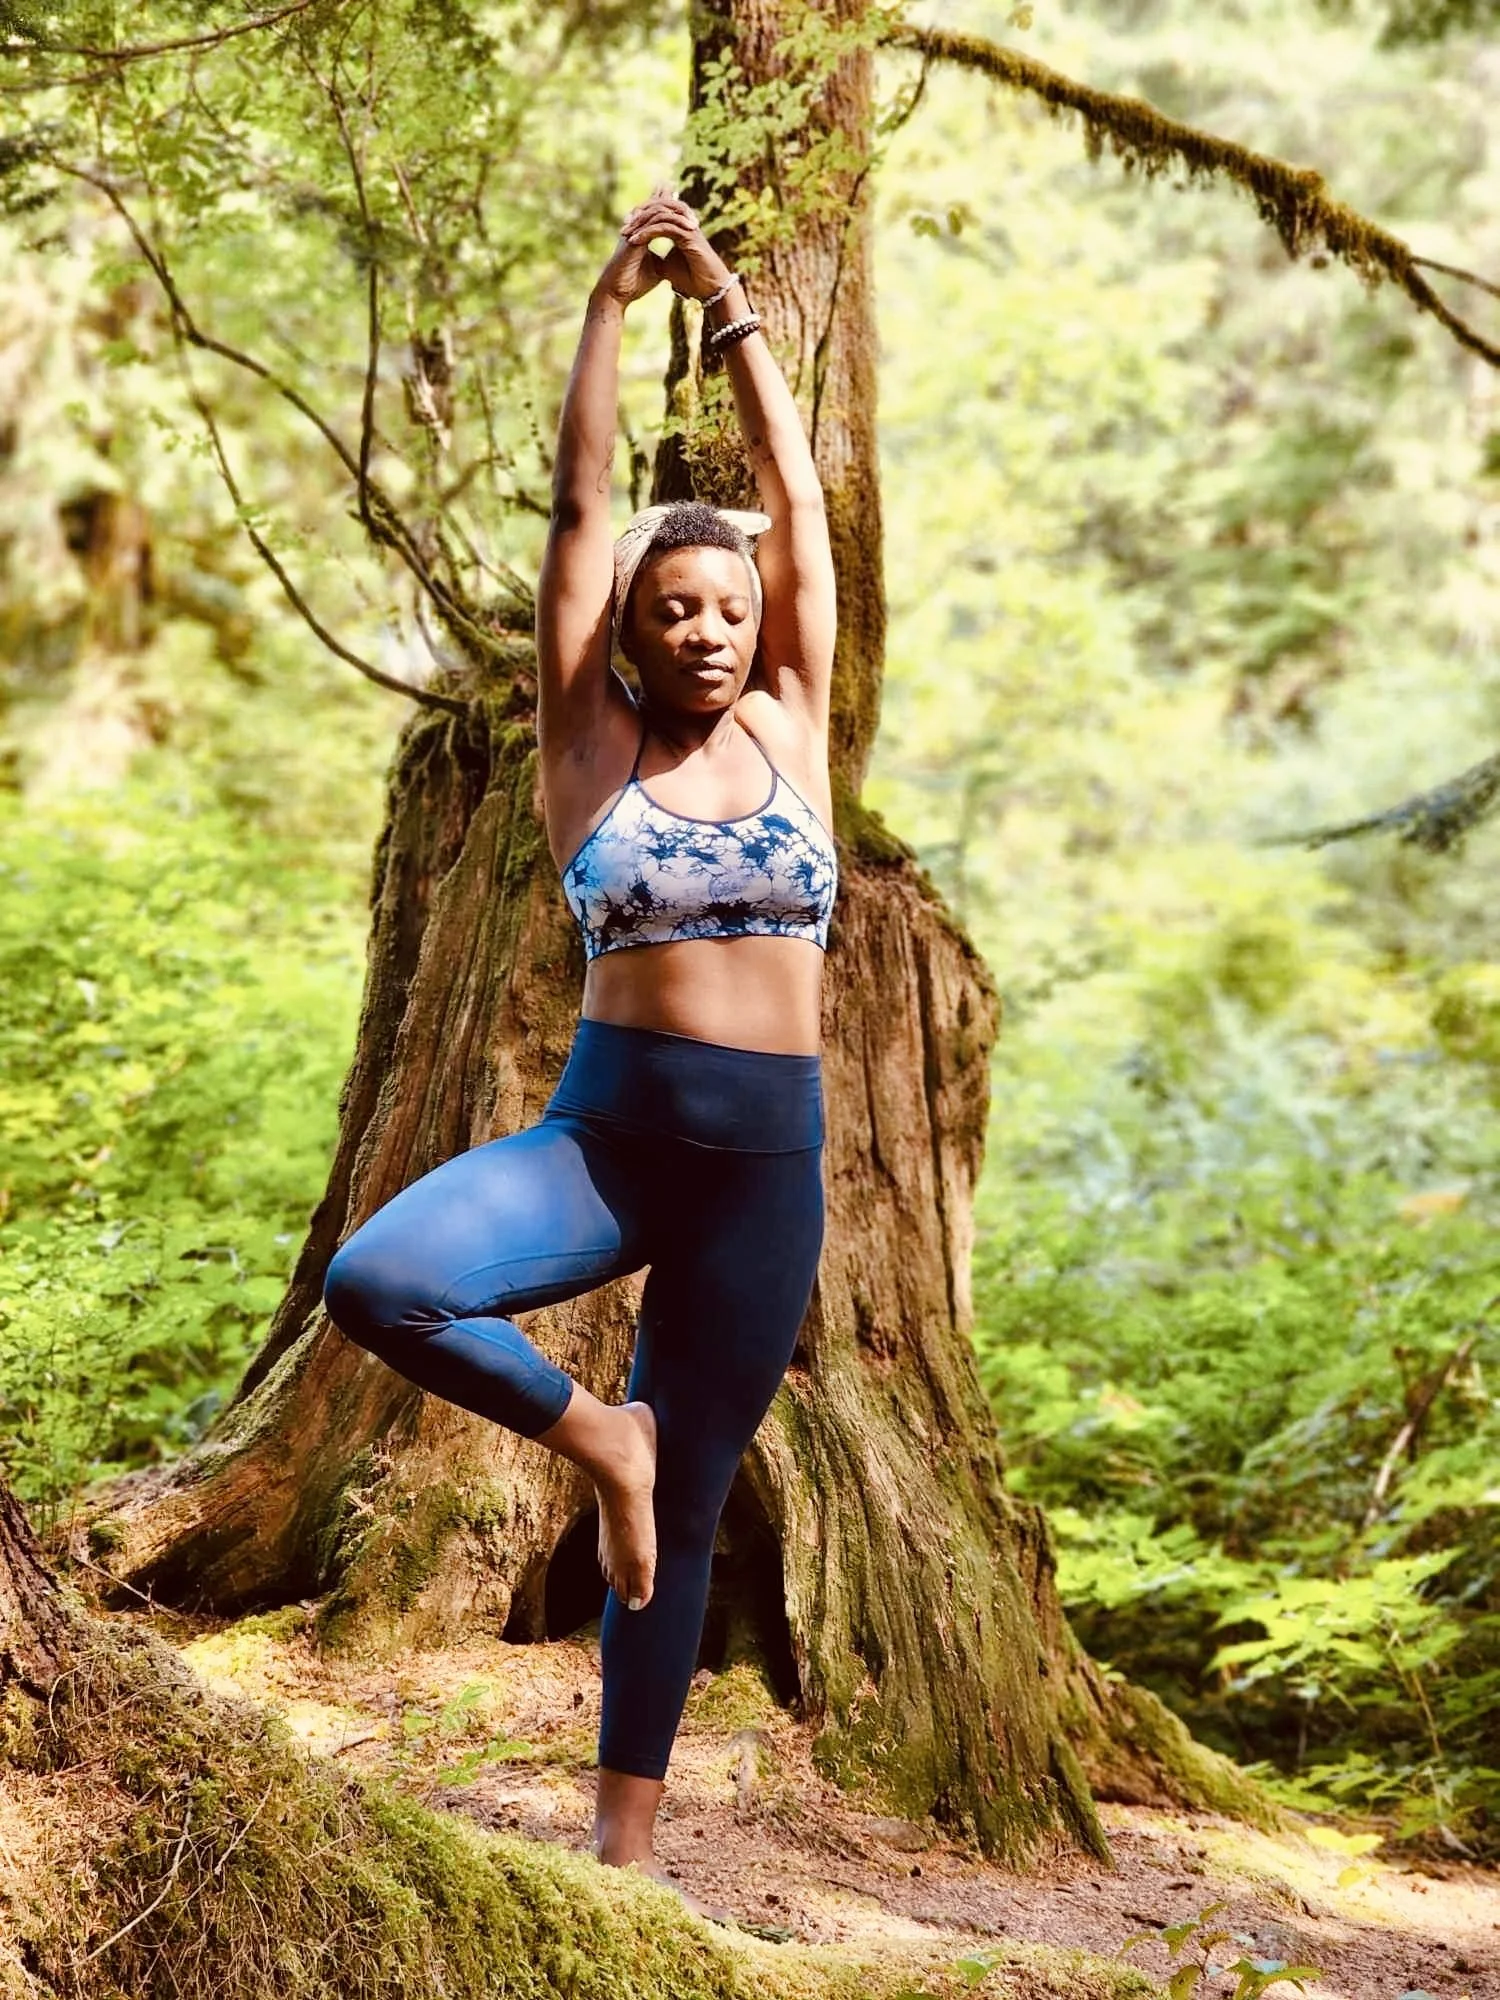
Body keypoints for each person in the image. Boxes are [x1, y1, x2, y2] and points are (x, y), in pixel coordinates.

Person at [322, 188, 837, 1910]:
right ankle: (588, 1436)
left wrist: (739, 308)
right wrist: (615, 310)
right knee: (383, 1281)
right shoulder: (585, 753)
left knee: (690, 1505)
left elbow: (807, 514)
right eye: (673, 609)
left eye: (725, 607)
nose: (706, 628)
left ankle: (623, 1864)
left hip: (768, 1171)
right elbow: (578, 511)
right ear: (630, 631)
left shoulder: (797, 725)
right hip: (608, 1141)